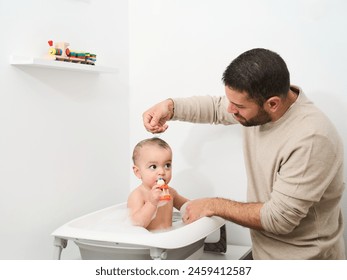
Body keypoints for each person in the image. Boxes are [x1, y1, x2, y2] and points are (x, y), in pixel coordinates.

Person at [142, 48, 346, 259]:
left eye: (238, 106)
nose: (230, 110)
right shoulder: (262, 108)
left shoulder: (311, 138)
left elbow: (279, 219)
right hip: (264, 255)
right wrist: (170, 107)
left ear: (272, 103)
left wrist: (213, 205)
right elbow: (215, 107)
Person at [127, 137, 189, 231]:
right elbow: (135, 224)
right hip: (149, 242)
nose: (162, 171)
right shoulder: (138, 195)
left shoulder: (170, 192)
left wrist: (201, 207)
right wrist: (151, 203)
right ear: (138, 172)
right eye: (153, 166)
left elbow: (188, 206)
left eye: (167, 165)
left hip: (167, 237)